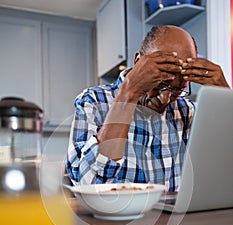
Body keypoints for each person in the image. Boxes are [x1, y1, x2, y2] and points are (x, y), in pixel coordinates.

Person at [66, 25, 230, 192]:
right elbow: (88, 185)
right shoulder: (94, 102)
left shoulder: (189, 113)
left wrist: (226, 102)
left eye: (176, 90)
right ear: (138, 61)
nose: (164, 99)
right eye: (160, 85)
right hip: (118, 217)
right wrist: (128, 94)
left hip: (178, 217)